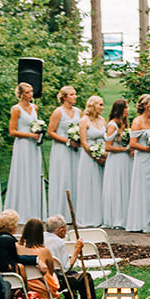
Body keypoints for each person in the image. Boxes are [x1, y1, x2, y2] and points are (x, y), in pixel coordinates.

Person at [3, 82, 46, 222]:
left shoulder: (35, 108)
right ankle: (20, 209)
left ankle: (34, 210)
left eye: (31, 91)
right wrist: (29, 135)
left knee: (34, 173)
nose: (30, 94)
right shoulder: (16, 109)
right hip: (22, 145)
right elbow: (12, 131)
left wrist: (38, 133)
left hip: (34, 146)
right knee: (23, 173)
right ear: (21, 94)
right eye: (27, 92)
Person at [46, 85, 82, 219]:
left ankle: (76, 212)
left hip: (76, 149)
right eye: (72, 94)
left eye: (75, 94)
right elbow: (51, 132)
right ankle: (61, 212)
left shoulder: (79, 112)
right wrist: (67, 140)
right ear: (64, 97)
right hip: (62, 149)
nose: (75, 97)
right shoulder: (58, 112)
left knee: (75, 176)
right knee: (63, 177)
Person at [73, 94, 109, 227]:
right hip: (88, 158)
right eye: (100, 104)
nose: (102, 107)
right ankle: (87, 218)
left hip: (102, 157)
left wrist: (104, 155)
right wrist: (96, 156)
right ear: (93, 105)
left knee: (100, 186)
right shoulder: (84, 121)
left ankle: (100, 217)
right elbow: (84, 143)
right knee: (89, 186)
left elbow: (105, 139)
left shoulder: (102, 120)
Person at [125, 94, 150, 234]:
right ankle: (140, 222)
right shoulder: (137, 121)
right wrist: (148, 149)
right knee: (143, 189)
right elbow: (132, 143)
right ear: (145, 106)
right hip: (143, 158)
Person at [100, 98, 132, 231]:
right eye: (125, 108)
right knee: (116, 187)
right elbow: (108, 147)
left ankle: (125, 217)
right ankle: (115, 218)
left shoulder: (125, 123)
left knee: (125, 187)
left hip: (125, 161)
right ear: (119, 109)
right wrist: (125, 149)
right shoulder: (113, 125)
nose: (128, 110)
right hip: (116, 160)